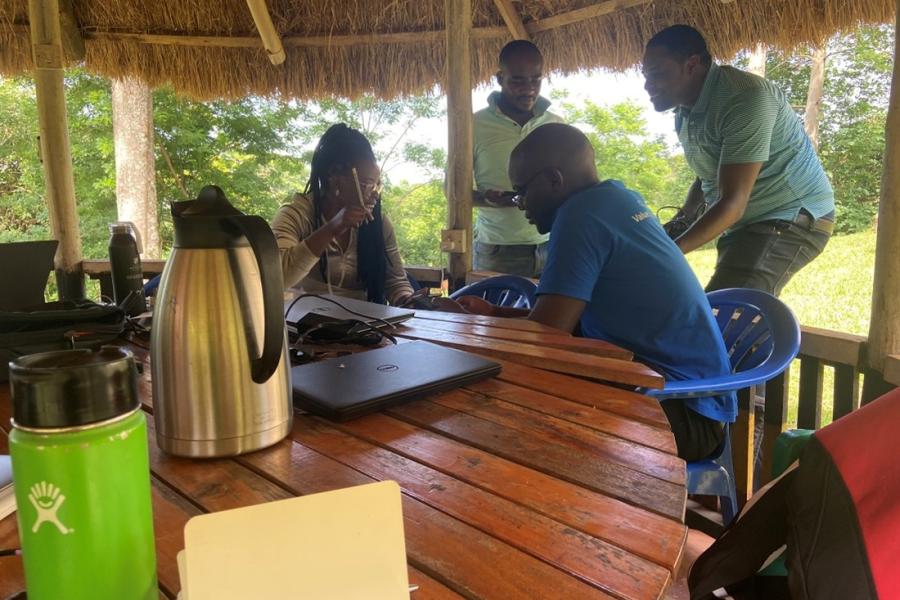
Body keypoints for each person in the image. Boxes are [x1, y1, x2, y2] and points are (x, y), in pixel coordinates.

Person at [449, 123, 735, 462]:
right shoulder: (618, 198)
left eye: (521, 191)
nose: (520, 204)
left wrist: (467, 334)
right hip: (694, 407)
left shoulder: (580, 215)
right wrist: (494, 315)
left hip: (679, 412)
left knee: (501, 415)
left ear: (554, 180)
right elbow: (561, 323)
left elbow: (544, 338)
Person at [642, 25, 835, 296]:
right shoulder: (686, 110)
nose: (648, 85)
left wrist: (668, 251)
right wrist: (682, 221)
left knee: (726, 316)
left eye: (657, 73)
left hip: (790, 217)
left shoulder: (745, 98)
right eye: (645, 75)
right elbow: (710, 174)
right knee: (717, 312)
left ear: (692, 64)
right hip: (747, 222)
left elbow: (733, 202)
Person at [271, 123, 414, 305]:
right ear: (335, 177)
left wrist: (409, 299)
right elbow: (278, 276)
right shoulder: (297, 214)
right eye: (367, 184)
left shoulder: (378, 223)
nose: (374, 194)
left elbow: (395, 281)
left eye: (377, 185)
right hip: (304, 325)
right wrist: (332, 228)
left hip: (365, 325)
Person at [469, 39, 563, 278]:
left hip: (551, 244)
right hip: (498, 250)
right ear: (500, 79)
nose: (529, 89)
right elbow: (453, 192)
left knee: (550, 316)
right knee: (492, 315)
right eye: (518, 80)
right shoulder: (473, 125)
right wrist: (486, 198)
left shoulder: (555, 124)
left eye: (535, 79)